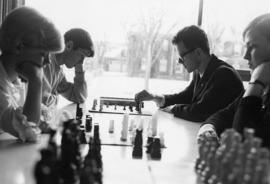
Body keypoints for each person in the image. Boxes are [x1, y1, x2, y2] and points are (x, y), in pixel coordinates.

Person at [135, 25, 244, 122]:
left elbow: (199, 111)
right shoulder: (200, 72)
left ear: (198, 52)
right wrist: (154, 97)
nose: (180, 61)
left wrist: (173, 109)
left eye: (183, 56)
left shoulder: (224, 74)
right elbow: (185, 97)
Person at [197, 13, 270, 148]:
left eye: (253, 47)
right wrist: (208, 128)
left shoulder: (256, 86)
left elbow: (244, 145)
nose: (245, 56)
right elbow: (224, 114)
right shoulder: (263, 88)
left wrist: (255, 84)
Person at [0, 7, 63, 142]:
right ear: (18, 46)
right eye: (43, 53)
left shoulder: (16, 81)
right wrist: (36, 81)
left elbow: (36, 120)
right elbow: (28, 132)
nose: (47, 61)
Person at [41, 28, 94, 122]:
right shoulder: (45, 61)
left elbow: (79, 97)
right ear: (69, 46)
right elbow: (43, 103)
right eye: (81, 56)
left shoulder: (59, 73)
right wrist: (55, 99)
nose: (81, 62)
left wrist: (79, 68)